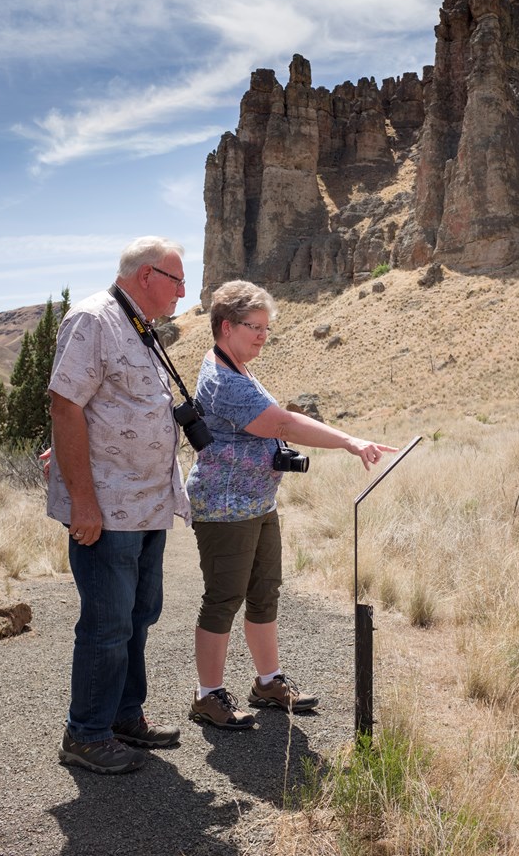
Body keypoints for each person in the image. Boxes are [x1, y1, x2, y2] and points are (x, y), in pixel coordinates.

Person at [187, 280, 397, 730]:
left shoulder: (237, 365)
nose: (263, 335)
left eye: (266, 327)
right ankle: (208, 696)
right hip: (226, 507)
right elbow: (281, 421)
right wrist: (348, 441)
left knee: (264, 594)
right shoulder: (225, 379)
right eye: (254, 327)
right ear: (225, 327)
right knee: (223, 599)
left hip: (255, 501)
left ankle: (267, 682)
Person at [47, 236, 191, 774]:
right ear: (147, 276)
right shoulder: (93, 320)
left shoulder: (137, 325)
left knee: (139, 615)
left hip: (147, 504)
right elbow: (66, 406)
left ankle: (124, 716)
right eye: (177, 279)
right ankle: (84, 734)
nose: (184, 290)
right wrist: (83, 501)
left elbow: (108, 408)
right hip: (106, 508)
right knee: (108, 623)